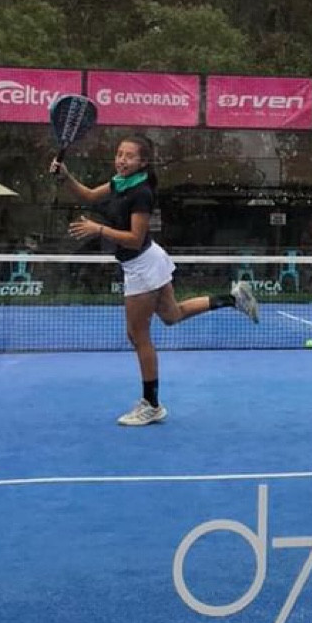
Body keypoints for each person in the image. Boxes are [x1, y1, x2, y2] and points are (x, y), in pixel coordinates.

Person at [53, 133, 259, 425]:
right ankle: (234, 298)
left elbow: (134, 239)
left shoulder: (142, 193)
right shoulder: (120, 182)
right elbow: (88, 196)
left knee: (138, 336)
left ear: (143, 162)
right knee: (172, 315)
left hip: (142, 265)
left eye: (129, 156)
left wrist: (98, 229)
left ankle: (151, 404)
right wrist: (66, 176)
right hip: (149, 260)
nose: (122, 160)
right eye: (119, 154)